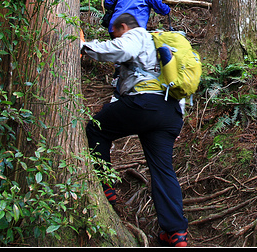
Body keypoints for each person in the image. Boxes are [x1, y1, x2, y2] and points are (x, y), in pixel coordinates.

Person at [81, 12, 189, 247]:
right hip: (170, 113)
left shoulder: (138, 34)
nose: (114, 37)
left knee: (96, 128)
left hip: (145, 105)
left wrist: (84, 46)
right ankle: (176, 232)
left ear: (122, 27)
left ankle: (104, 184)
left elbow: (120, 50)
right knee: (162, 170)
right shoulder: (161, 44)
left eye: (114, 33)